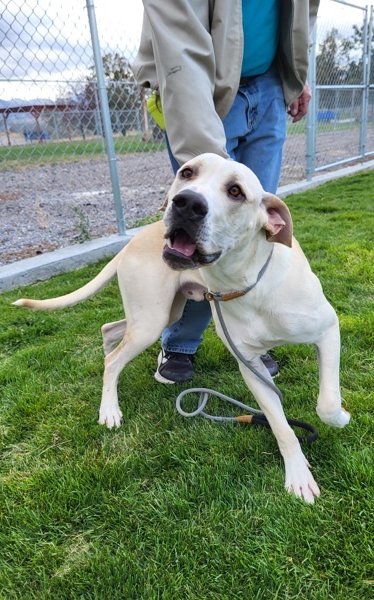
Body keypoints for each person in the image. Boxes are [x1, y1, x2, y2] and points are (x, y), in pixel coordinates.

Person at [131, 0, 320, 383]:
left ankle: (252, 343)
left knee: (249, 234)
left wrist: (294, 76)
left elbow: (301, 14)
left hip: (270, 87)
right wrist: (216, 173)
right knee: (200, 234)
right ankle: (180, 343)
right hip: (200, 88)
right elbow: (178, 35)